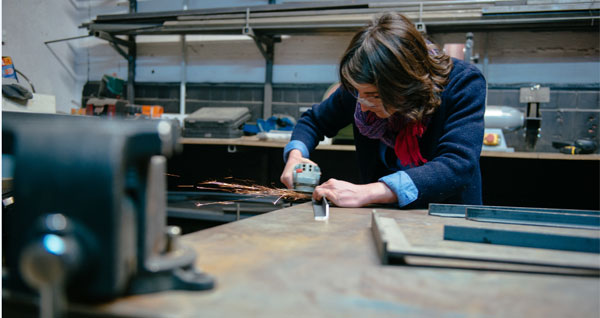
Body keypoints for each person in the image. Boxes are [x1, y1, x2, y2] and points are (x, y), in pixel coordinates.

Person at [280, 12, 486, 209]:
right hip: (384, 212)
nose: (362, 106)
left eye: (374, 96)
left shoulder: (462, 83)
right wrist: (295, 156)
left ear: (405, 84)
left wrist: (367, 192)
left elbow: (457, 166)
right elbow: (314, 121)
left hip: (445, 215)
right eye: (359, 94)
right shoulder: (361, 87)